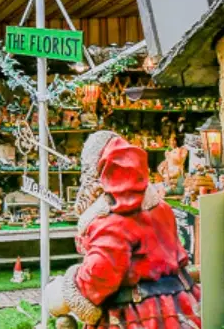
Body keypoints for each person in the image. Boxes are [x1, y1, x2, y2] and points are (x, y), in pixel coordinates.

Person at [43, 131, 201, 328]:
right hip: (179, 305)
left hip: (138, 314)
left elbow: (99, 275)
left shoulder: (113, 220)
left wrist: (64, 291)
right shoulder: (160, 208)